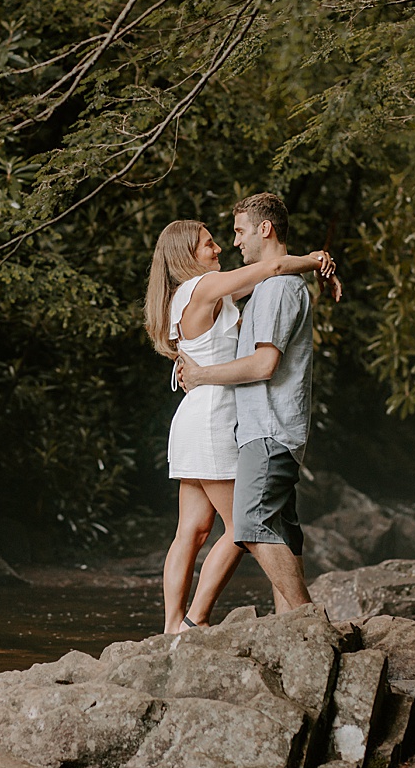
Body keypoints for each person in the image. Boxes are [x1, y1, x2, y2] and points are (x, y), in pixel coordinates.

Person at [143, 217, 336, 635]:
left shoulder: (198, 294)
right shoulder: (202, 287)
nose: (219, 250)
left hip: (196, 413)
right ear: (186, 256)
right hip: (213, 415)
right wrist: (314, 259)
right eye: (209, 245)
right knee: (241, 527)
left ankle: (172, 627)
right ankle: (196, 620)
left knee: (191, 532)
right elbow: (271, 268)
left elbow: (264, 284)